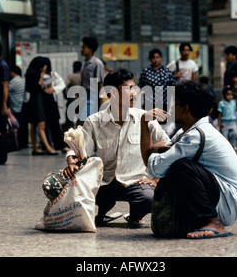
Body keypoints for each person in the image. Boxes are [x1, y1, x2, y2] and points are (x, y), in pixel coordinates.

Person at [62, 69, 170, 228]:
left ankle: (136, 215)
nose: (134, 93)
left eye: (134, 87)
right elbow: (79, 149)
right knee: (75, 192)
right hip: (104, 182)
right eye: (129, 89)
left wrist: (156, 179)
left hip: (135, 181)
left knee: (149, 198)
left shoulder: (145, 118)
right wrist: (71, 163)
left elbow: (167, 148)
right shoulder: (95, 121)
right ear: (112, 92)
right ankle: (102, 211)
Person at [141, 81, 237, 239]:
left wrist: (145, 126)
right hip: (220, 196)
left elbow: (155, 167)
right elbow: (155, 158)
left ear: (185, 108)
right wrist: (160, 149)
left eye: (174, 104)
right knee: (175, 163)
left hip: (230, 203)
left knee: (180, 166)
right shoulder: (188, 131)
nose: (170, 108)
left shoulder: (196, 136)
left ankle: (214, 222)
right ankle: (203, 218)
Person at [24, 56, 58, 156]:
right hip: (37, 101)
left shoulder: (29, 72)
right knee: (41, 124)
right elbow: (39, 84)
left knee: (33, 125)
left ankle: (35, 148)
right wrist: (42, 74)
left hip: (32, 100)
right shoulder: (35, 74)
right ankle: (48, 148)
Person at [40, 59, 69, 153]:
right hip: (41, 101)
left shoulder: (53, 74)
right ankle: (45, 145)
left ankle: (59, 145)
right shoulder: (37, 74)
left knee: (55, 124)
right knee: (44, 125)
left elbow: (62, 84)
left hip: (51, 100)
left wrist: (54, 89)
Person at [138, 48, 175, 113]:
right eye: (153, 58)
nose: (156, 60)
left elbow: (172, 85)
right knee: (150, 122)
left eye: (157, 57)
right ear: (150, 59)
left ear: (160, 58)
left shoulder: (166, 71)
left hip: (164, 102)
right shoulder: (145, 72)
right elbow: (141, 85)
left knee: (162, 121)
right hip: (149, 102)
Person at [80, 37, 106, 121]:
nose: (81, 49)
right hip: (84, 96)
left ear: (90, 49)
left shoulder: (97, 63)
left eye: (83, 47)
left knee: (88, 121)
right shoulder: (84, 63)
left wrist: (101, 103)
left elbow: (100, 83)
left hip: (93, 97)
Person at [9, 65, 28, 149]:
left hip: (15, 107)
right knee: (24, 127)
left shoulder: (13, 82)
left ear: (13, 73)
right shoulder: (23, 81)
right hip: (23, 106)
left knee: (17, 127)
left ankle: (18, 144)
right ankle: (24, 143)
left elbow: (6, 91)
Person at [63, 61, 82, 130]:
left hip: (72, 100)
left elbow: (64, 86)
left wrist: (66, 95)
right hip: (81, 101)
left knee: (69, 122)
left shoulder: (71, 76)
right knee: (80, 122)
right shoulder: (83, 76)